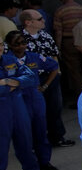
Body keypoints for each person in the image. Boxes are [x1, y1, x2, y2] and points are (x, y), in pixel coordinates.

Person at [0, 38, 50, 170]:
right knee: (1, 147)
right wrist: (11, 85)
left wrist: (12, 82)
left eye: (1, 45)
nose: (0, 48)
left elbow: (30, 77)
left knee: (25, 139)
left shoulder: (9, 59)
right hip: (2, 109)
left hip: (17, 105)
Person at [4, 31, 57, 170]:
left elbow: (53, 67)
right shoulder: (7, 60)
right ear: (9, 45)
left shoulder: (33, 57)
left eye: (23, 43)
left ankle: (44, 162)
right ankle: (31, 168)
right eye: (17, 44)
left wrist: (45, 86)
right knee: (24, 137)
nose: (21, 46)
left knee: (41, 131)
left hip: (35, 98)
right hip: (19, 101)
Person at [21, 9, 74, 147]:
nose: (43, 21)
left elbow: (54, 55)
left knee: (54, 108)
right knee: (35, 112)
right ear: (28, 22)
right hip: (31, 81)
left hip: (51, 77)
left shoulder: (46, 36)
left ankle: (57, 137)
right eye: (39, 19)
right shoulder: (19, 39)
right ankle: (36, 142)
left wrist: (58, 73)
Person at [52, 0, 82, 103]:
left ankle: (81, 98)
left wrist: (57, 48)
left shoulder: (60, 11)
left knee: (74, 72)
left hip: (69, 42)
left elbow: (59, 31)